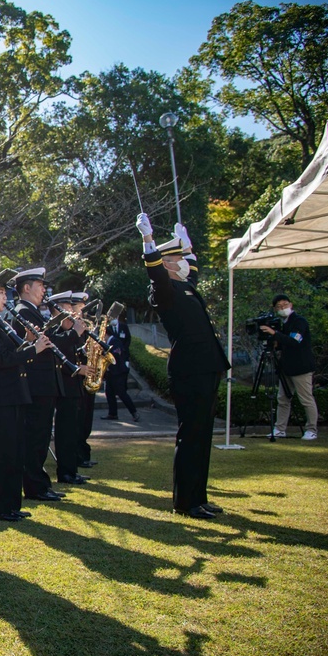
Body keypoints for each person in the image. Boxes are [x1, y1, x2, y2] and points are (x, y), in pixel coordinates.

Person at [137, 214, 230, 519]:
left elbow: (194, 268)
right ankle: (185, 501)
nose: (185, 262)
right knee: (190, 435)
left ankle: (198, 497)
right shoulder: (164, 292)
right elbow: (154, 273)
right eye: (178, 258)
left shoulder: (187, 286)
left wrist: (187, 245)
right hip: (189, 370)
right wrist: (148, 241)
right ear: (166, 263)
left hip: (207, 366)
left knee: (203, 436)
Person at [0, 272, 48, 522]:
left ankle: (12, 503)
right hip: (0, 395)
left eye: (5, 292)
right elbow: (2, 359)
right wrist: (33, 350)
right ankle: (0, 506)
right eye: (0, 293)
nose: (5, 297)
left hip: (14, 393)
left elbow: (9, 352)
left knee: (16, 451)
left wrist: (26, 342)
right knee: (1, 452)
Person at [9, 268, 65, 503]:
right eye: (39, 285)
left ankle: (39, 483)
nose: (44, 289)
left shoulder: (33, 311)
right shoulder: (23, 311)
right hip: (36, 383)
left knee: (41, 436)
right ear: (26, 288)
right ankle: (34, 486)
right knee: (35, 437)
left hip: (43, 382)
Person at [47, 291, 96, 485]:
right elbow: (59, 356)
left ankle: (72, 468)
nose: (71, 311)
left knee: (74, 428)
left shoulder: (66, 328)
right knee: (65, 431)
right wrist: (77, 369)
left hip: (75, 383)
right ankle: (66, 471)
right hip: (65, 383)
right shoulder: (53, 329)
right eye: (66, 307)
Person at [260, 294, 317, 441]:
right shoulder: (282, 323)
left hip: (301, 367)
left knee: (306, 399)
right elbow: (282, 344)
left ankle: (312, 429)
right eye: (279, 307)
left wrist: (275, 333)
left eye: (285, 305)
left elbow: (293, 341)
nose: (282, 308)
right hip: (286, 367)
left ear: (291, 305)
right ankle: (280, 428)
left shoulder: (299, 321)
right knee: (283, 399)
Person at [71, 292, 99, 469]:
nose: (82, 310)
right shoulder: (71, 327)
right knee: (77, 421)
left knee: (85, 419)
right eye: (79, 306)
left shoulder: (82, 326)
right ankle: (77, 456)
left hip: (87, 376)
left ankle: (83, 453)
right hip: (76, 378)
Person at [101, 311, 140, 422]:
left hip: (118, 372)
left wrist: (104, 354)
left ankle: (134, 412)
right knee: (109, 394)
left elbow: (115, 354)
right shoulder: (109, 341)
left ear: (106, 334)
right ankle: (112, 413)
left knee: (122, 393)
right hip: (110, 373)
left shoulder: (114, 341)